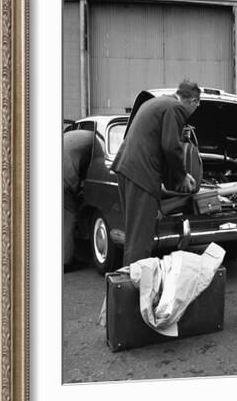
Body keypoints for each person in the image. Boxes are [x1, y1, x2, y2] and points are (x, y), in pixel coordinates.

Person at [111, 80, 201, 265]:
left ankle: (129, 284)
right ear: (192, 101)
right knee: (141, 239)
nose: (195, 110)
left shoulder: (155, 103)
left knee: (134, 234)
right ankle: (134, 288)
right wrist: (181, 177)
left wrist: (172, 181)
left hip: (127, 169)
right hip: (141, 174)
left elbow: (158, 145)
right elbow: (170, 147)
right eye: (197, 105)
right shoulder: (176, 108)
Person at [63, 129, 94, 269]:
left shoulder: (79, 136)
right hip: (64, 176)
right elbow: (89, 163)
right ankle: (66, 262)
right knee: (69, 218)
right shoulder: (94, 140)